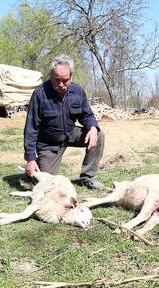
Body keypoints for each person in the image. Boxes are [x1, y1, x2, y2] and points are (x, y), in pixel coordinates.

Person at [23, 54, 106, 190]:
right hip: (49, 144)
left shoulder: (77, 91)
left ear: (71, 77)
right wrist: (30, 159)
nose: (61, 85)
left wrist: (92, 127)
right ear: (50, 76)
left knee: (99, 134)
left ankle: (88, 177)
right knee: (49, 184)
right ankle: (33, 169)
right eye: (57, 80)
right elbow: (31, 129)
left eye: (65, 80)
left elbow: (87, 115)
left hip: (70, 134)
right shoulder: (39, 94)